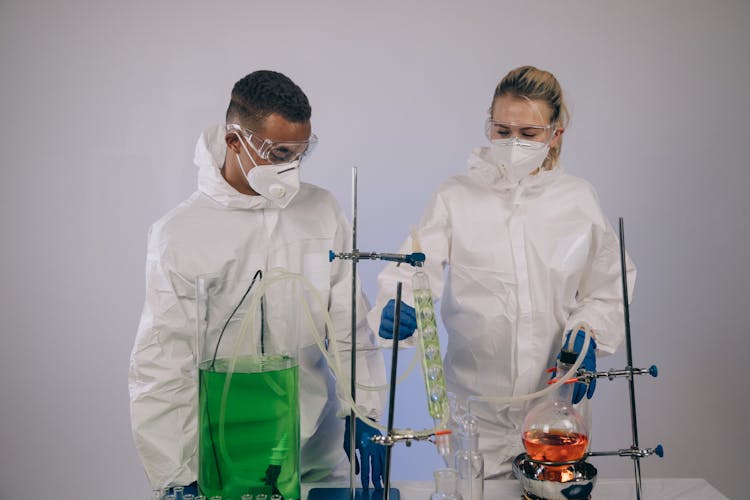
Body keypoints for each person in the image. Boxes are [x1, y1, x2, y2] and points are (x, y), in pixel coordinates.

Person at [366, 65, 636, 478]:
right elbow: (413, 270)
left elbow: (609, 286)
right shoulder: (456, 196)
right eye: (502, 130)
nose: (513, 143)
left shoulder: (578, 201)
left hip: (557, 407)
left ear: (555, 135)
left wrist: (589, 331)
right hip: (475, 410)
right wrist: (394, 307)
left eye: (528, 134)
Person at [129, 70, 387, 495]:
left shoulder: (320, 210)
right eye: (279, 153)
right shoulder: (180, 233)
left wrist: (364, 410)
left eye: (299, 155)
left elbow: (349, 324)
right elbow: (161, 365)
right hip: (226, 460)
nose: (291, 169)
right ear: (234, 141)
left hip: (314, 455)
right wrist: (177, 475)